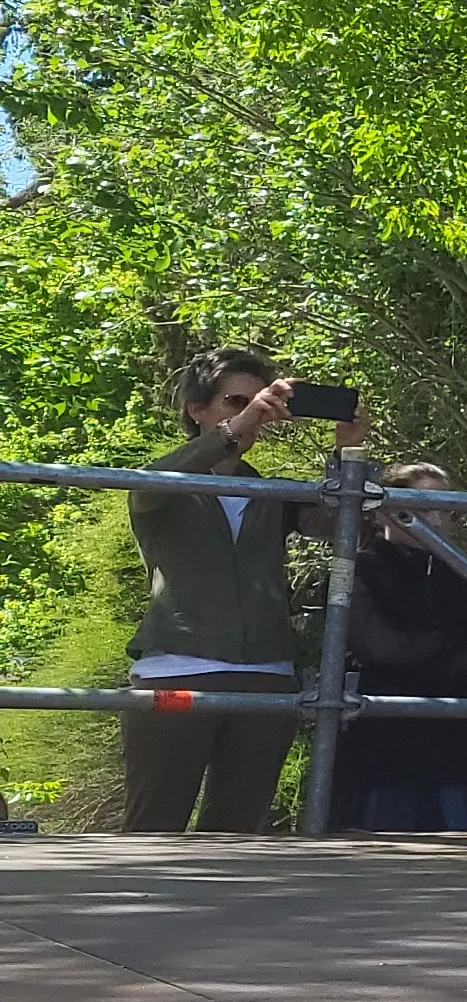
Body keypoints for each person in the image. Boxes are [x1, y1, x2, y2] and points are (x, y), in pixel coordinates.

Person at [125, 351, 358, 834]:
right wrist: (234, 430)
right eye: (235, 400)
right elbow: (147, 488)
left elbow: (339, 525)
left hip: (267, 673)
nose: (251, 413)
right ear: (197, 408)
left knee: (237, 837)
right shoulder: (165, 479)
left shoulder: (272, 491)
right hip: (177, 667)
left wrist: (347, 455)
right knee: (152, 831)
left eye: (258, 402)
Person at [339, 461, 467, 831]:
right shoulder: (362, 567)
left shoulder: (464, 571)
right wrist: (444, 646)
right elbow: (376, 645)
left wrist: (434, 657)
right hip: (384, 741)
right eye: (424, 506)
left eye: (444, 508)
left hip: (456, 741)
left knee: (463, 852)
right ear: (387, 510)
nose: (437, 518)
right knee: (381, 850)